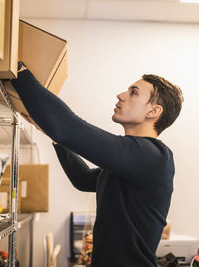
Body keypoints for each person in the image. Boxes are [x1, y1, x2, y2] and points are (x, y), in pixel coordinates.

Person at [11, 64, 183, 267]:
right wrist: (56, 137)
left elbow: (67, 126)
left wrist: (18, 69)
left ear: (153, 111)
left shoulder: (153, 156)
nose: (121, 95)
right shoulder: (131, 161)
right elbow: (83, 178)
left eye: (133, 93)